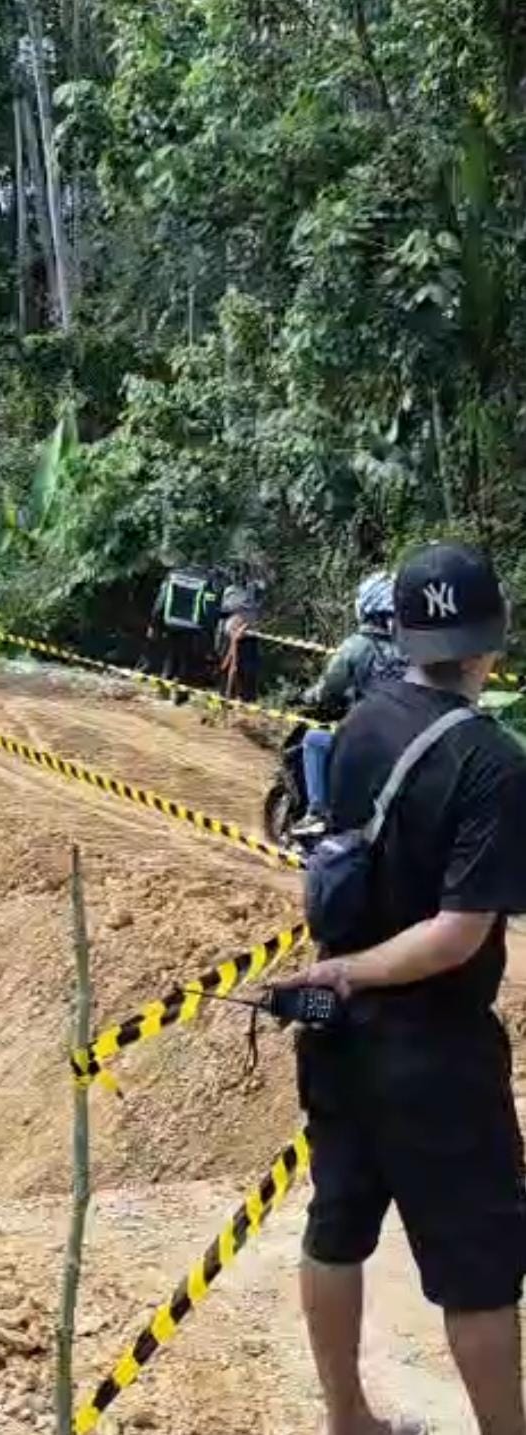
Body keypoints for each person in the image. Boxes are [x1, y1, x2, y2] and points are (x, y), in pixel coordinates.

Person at [277, 542, 526, 1435]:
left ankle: (348, 1418)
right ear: (490, 640)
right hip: (436, 1050)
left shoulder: (362, 721)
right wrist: (357, 968)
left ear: (403, 632)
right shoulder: (493, 764)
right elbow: (458, 933)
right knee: (478, 1269)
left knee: (337, 1222)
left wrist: (340, 972)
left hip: (338, 1031)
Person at [293, 572, 404, 839]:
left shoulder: (357, 646)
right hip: (408, 742)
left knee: (314, 740)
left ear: (366, 607)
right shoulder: (412, 650)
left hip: (366, 741)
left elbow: (329, 688)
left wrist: (308, 697)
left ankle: (317, 813)